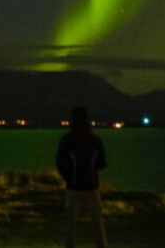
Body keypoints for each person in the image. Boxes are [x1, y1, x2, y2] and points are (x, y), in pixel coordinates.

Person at [55, 106, 108, 248]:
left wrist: (68, 177)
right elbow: (102, 163)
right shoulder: (95, 141)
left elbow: (60, 163)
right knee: (97, 223)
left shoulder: (67, 140)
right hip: (91, 187)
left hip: (74, 188)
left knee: (71, 226)